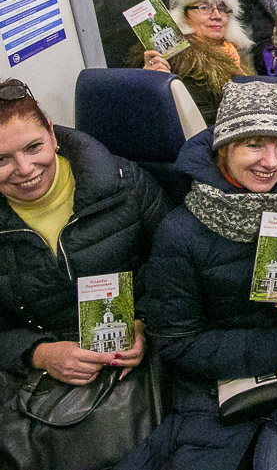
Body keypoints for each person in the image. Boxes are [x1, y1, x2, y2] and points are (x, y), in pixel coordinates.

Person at [132, 83, 277, 470]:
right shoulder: (180, 232)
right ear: (224, 148)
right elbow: (175, 342)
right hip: (211, 393)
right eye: (254, 144)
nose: (271, 162)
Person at [0, 79, 167, 389]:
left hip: (147, 362)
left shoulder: (125, 185)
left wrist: (144, 325)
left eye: (34, 147)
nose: (24, 169)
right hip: (38, 384)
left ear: (52, 133)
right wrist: (39, 354)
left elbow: (178, 271)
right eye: (1, 160)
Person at [140, 0, 253, 122]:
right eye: (204, 7)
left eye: (222, 8)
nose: (217, 16)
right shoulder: (179, 64)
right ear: (182, 16)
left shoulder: (230, 53)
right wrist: (153, 83)